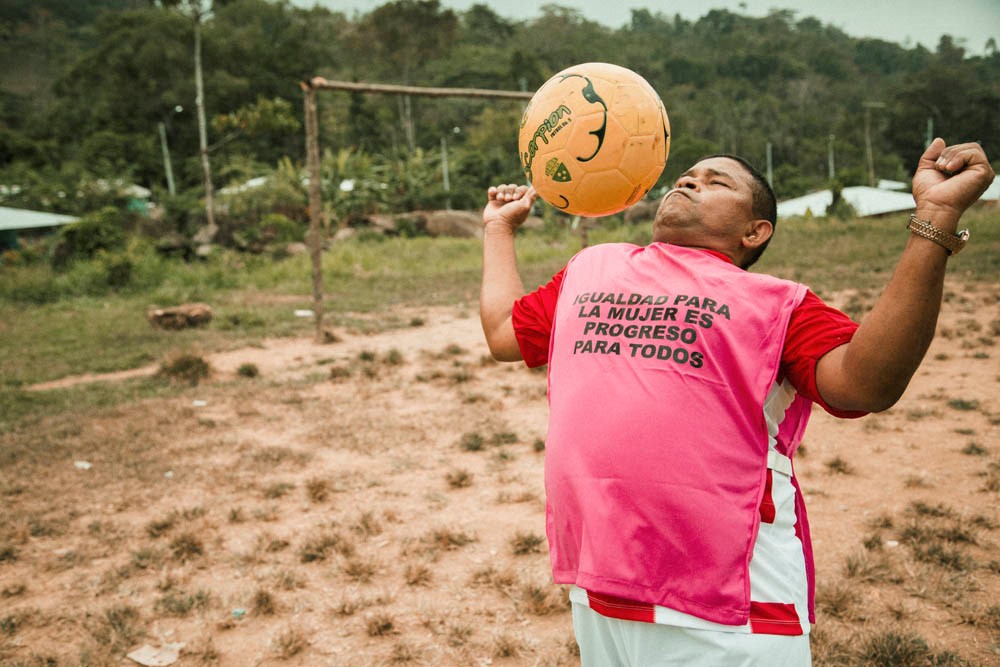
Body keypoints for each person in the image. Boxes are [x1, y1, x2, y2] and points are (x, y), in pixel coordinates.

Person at [479, 138, 994, 666]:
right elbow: (503, 332)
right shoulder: (591, 268)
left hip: (730, 611)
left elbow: (866, 384)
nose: (688, 181)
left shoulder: (776, 303)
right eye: (687, 175)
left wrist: (934, 219)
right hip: (600, 589)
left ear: (755, 231)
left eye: (715, 181)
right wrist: (498, 228)